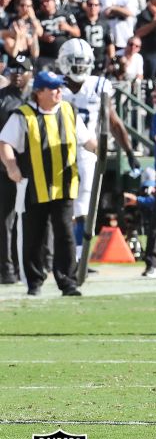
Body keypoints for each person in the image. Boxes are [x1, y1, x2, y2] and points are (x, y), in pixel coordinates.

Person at [0, 71, 96, 296]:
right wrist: (12, 167)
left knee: (64, 233)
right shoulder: (23, 115)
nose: (59, 93)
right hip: (35, 184)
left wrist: (98, 148)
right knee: (35, 234)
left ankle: (67, 281)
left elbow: (86, 140)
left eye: (59, 88)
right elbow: (5, 143)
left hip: (64, 182)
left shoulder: (68, 112)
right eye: (53, 89)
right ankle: (34, 281)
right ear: (39, 92)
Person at [56, 39, 142, 265]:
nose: (80, 68)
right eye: (75, 63)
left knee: (84, 206)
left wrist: (130, 152)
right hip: (56, 150)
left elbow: (113, 122)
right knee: (58, 204)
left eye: (83, 63)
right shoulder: (54, 85)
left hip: (86, 151)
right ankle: (56, 256)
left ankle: (78, 258)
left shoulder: (99, 85)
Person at [0, 57, 33, 285]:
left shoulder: (37, 98)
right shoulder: (2, 99)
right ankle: (7, 269)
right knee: (6, 220)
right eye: (14, 69)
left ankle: (38, 264)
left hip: (35, 169)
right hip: (5, 169)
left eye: (23, 70)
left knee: (37, 220)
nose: (18, 73)